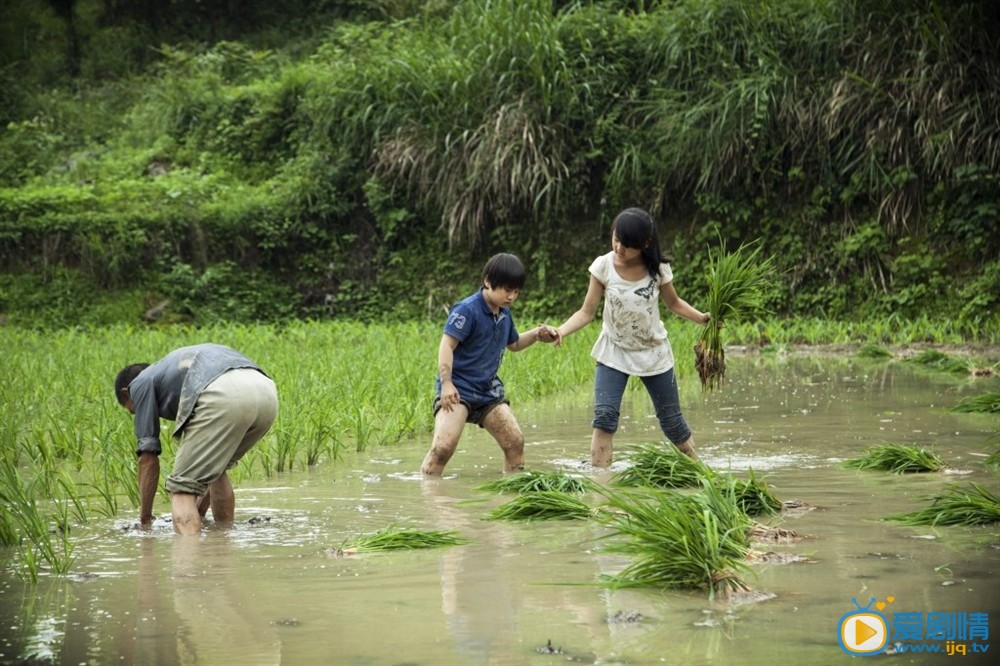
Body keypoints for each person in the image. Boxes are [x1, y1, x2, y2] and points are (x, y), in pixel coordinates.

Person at [553, 207, 710, 467]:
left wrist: (702, 318)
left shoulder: (658, 269)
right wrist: (561, 330)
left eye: (627, 244)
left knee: (672, 421)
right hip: (614, 350)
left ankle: (700, 472)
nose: (619, 248)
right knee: (604, 417)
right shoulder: (603, 266)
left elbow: (674, 303)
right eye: (616, 239)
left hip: (653, 351)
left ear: (645, 244)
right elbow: (586, 312)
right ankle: (601, 483)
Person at [114, 343, 278, 534]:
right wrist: (197, 512)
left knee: (181, 489)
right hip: (266, 391)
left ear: (127, 393)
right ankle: (222, 543)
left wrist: (145, 520)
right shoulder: (173, 372)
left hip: (222, 392)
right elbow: (207, 472)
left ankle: (191, 559)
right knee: (217, 469)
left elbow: (147, 457)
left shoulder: (139, 383)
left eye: (133, 410)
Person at [421, 253, 558, 476]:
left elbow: (513, 344)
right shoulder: (467, 310)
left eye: (516, 291)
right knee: (442, 448)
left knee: (515, 442)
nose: (512, 297)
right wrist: (446, 384)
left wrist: (537, 334)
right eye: (507, 290)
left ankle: (513, 493)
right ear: (487, 281)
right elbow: (446, 345)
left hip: (487, 391)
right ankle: (429, 498)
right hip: (458, 389)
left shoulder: (504, 313)